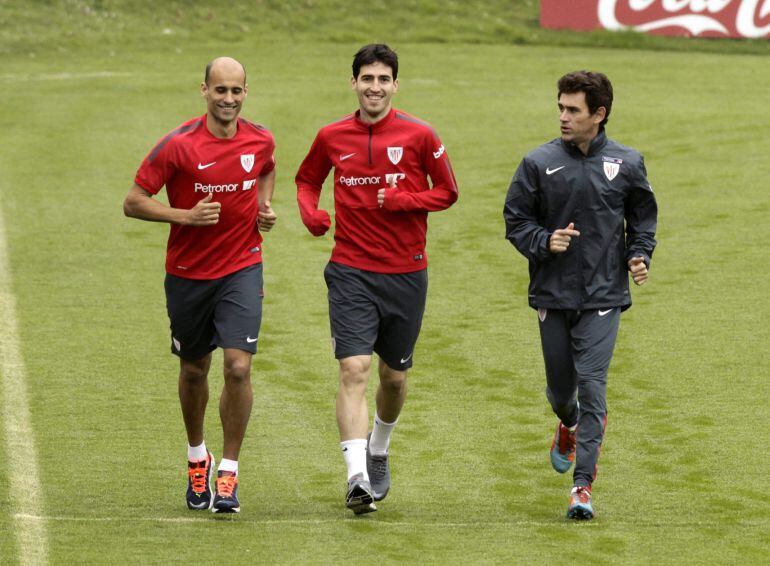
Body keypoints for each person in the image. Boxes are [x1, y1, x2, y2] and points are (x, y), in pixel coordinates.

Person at [295, 44, 458, 515]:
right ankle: (357, 477)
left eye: (383, 79)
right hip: (350, 270)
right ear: (354, 83)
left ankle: (379, 446)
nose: (375, 87)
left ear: (395, 85)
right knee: (354, 370)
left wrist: (404, 200)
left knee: (394, 376)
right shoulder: (331, 136)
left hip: (406, 273)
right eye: (367, 78)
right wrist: (311, 213)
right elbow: (307, 179)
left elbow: (448, 192)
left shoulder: (420, 135)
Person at [123, 56, 277, 514]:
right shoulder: (178, 145)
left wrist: (264, 207)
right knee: (194, 369)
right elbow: (133, 202)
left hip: (242, 267)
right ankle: (197, 456)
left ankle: (228, 472)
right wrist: (184, 216)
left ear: (246, 92)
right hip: (188, 274)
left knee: (238, 368)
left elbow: (266, 168)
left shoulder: (261, 138)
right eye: (220, 90)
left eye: (236, 91)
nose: (228, 99)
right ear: (204, 91)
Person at [503, 71, 657, 520]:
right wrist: (543, 241)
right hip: (552, 293)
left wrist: (638, 255)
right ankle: (566, 425)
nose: (563, 117)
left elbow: (642, 217)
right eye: (561, 107)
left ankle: (582, 488)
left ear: (599, 114)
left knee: (593, 387)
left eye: (573, 110)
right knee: (560, 391)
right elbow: (515, 221)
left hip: (604, 296)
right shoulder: (537, 162)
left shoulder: (628, 163)